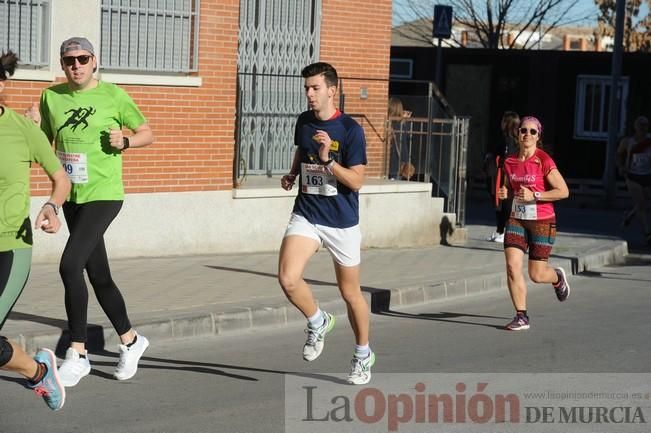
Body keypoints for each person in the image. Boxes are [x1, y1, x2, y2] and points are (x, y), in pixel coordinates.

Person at [25, 37, 154, 386]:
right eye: (69, 60)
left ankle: (77, 352)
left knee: (70, 264)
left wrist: (126, 141)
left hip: (105, 194)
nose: (76, 65)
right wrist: (32, 126)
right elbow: (45, 146)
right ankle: (131, 340)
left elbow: (146, 132)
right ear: (62, 65)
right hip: (73, 196)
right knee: (98, 275)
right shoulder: (52, 97)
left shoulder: (114, 95)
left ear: (94, 61)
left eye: (83, 58)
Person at [278, 62, 374, 385]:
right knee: (288, 278)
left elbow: (357, 181)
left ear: (332, 90)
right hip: (307, 212)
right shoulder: (304, 121)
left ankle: (363, 354)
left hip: (341, 222)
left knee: (351, 294)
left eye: (315, 88)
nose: (309, 94)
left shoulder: (350, 130)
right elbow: (300, 149)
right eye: (306, 88)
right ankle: (317, 321)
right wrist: (293, 173)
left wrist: (327, 161)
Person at [0, 50, 71, 410]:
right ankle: (37, 370)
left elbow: (61, 179)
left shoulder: (23, 130)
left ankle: (39, 372)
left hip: (10, 246)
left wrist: (51, 206)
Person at [497, 116, 571, 331]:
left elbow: (563, 191)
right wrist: (505, 192)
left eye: (532, 132)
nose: (527, 135)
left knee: (537, 275)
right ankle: (521, 316)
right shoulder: (509, 161)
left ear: (538, 136)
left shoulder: (544, 160)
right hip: (517, 219)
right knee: (512, 266)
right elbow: (509, 189)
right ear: (517, 134)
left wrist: (535, 195)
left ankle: (556, 277)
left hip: (542, 221)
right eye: (523, 131)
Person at [616, 115, 651, 245]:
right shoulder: (628, 141)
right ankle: (648, 233)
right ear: (635, 127)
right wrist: (620, 167)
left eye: (645, 125)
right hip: (632, 175)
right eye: (640, 125)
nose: (643, 128)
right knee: (641, 203)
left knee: (643, 202)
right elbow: (619, 154)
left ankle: (629, 216)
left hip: (648, 175)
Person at [486, 111, 520, 243]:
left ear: (507, 123)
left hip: (505, 175)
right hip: (501, 174)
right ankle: (500, 230)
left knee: (506, 204)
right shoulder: (506, 138)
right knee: (499, 203)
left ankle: (507, 231)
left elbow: (508, 159)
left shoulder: (510, 141)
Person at [387, 97, 413, 180]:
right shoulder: (402, 124)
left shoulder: (388, 123)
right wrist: (406, 119)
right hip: (400, 160)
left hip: (389, 160)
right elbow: (408, 137)